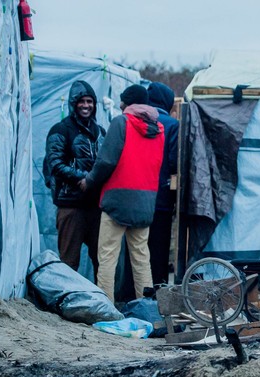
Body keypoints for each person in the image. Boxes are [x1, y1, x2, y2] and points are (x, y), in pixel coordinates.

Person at [84, 84, 165, 303]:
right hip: (145, 201)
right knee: (141, 258)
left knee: (108, 256)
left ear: (126, 103)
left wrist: (88, 182)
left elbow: (106, 161)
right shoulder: (158, 129)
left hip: (118, 200)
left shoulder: (121, 122)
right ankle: (146, 307)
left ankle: (106, 307)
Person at [45, 80, 106, 274]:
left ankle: (101, 302)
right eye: (82, 101)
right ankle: (67, 303)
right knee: (69, 263)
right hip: (70, 206)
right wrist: (83, 179)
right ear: (74, 103)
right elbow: (55, 164)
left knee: (102, 261)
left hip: (96, 207)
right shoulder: (60, 130)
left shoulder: (101, 132)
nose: (86, 105)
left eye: (90, 101)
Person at [145, 82, 179, 285]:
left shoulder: (133, 120)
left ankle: (131, 294)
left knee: (137, 249)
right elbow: (175, 161)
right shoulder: (172, 125)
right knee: (158, 251)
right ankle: (156, 292)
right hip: (161, 198)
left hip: (137, 196)